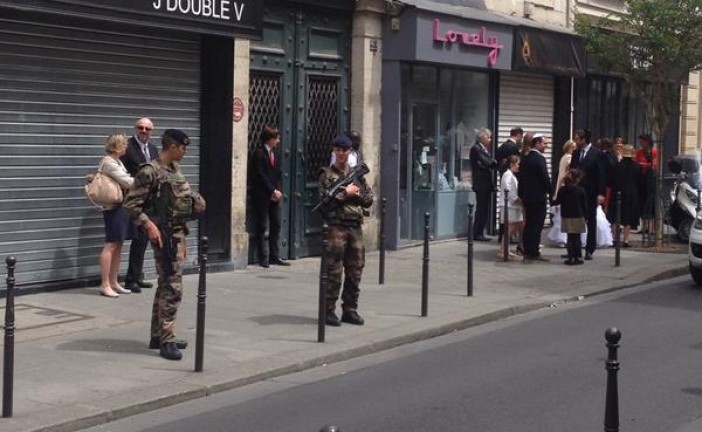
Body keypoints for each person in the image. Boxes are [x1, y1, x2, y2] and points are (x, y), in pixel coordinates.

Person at [123, 129, 206, 361]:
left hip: (176, 234)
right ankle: (167, 340)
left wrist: (184, 237)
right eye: (183, 147)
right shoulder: (150, 172)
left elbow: (178, 205)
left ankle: (158, 335)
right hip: (163, 235)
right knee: (173, 288)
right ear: (172, 147)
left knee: (164, 285)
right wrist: (148, 226)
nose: (185, 151)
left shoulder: (174, 170)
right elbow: (130, 204)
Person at [319, 136, 373, 327]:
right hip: (337, 227)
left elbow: (368, 199)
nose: (341, 153)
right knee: (333, 270)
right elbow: (325, 205)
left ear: (350, 152)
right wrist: (344, 194)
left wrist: (356, 194)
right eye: (338, 150)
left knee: (355, 270)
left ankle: (350, 309)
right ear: (334, 151)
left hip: (355, 227)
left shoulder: (356, 175)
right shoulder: (327, 175)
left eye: (345, 150)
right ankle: (328, 310)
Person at [120, 118, 159, 293]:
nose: (144, 131)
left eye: (147, 129)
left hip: (150, 201)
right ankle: (130, 280)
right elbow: (122, 172)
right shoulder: (127, 148)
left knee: (142, 240)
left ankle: (137, 276)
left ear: (152, 131)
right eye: (140, 128)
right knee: (137, 239)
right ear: (136, 129)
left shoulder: (153, 149)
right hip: (134, 201)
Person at [98, 134, 136, 298]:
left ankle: (114, 281)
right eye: (124, 144)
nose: (126, 147)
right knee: (111, 244)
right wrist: (143, 181)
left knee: (119, 244)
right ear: (117, 146)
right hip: (113, 207)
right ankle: (104, 284)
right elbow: (127, 182)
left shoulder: (117, 161)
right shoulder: (108, 162)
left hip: (121, 206)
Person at [249, 125, 290, 268]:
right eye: (276, 138)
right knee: (262, 225)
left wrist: (278, 190)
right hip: (262, 195)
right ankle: (263, 257)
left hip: (274, 195)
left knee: (276, 224)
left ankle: (275, 255)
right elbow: (260, 175)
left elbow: (278, 174)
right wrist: (272, 190)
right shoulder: (259, 154)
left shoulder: (275, 154)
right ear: (269, 139)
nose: (278, 141)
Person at [570, 129, 606, 261]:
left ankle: (590, 249)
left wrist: (601, 193)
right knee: (577, 219)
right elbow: (572, 171)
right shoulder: (576, 153)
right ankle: (575, 248)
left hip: (591, 192)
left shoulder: (596, 154)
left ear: (584, 139)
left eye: (577, 139)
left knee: (591, 219)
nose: (575, 142)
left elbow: (602, 175)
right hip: (576, 191)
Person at [518, 134, 551, 262]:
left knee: (529, 225)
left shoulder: (525, 158)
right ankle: (534, 252)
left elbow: (521, 178)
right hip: (538, 198)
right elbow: (545, 178)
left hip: (527, 197)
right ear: (537, 143)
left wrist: (521, 194)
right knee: (537, 225)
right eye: (544, 143)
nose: (546, 146)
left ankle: (527, 251)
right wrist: (551, 192)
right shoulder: (539, 159)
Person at [609, 144, 643, 247]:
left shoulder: (616, 166)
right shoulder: (637, 167)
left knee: (616, 217)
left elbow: (611, 181)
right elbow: (640, 183)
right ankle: (626, 240)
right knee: (628, 218)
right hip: (631, 195)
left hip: (617, 193)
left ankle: (615, 239)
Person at [553, 169, 588, 265]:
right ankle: (577, 257)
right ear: (577, 179)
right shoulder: (580, 190)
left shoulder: (563, 190)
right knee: (577, 237)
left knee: (569, 237)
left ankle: (570, 257)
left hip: (566, 216)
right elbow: (585, 205)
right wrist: (586, 216)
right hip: (578, 215)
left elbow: (557, 201)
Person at [469, 128, 497, 241]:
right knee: (481, 209)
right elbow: (488, 162)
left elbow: (491, 162)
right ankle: (477, 233)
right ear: (482, 137)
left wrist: (490, 162)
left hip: (486, 183)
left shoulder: (484, 149)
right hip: (481, 183)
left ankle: (480, 231)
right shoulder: (476, 148)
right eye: (488, 137)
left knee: (485, 209)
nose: (490, 140)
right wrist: (489, 162)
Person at [547, 140, 576, 247]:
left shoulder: (563, 157)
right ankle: (563, 239)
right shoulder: (569, 158)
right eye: (574, 147)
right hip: (565, 186)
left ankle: (562, 238)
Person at [634, 133, 658, 235]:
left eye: (642, 141)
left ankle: (652, 228)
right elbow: (635, 162)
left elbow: (654, 165)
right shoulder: (639, 152)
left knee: (651, 202)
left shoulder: (653, 151)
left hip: (651, 180)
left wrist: (643, 165)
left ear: (647, 141)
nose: (641, 143)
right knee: (642, 202)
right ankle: (644, 226)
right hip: (641, 179)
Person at [500, 155, 523, 256]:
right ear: (511, 164)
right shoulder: (507, 175)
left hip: (513, 205)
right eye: (517, 164)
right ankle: (504, 250)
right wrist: (516, 199)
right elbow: (508, 189)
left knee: (514, 227)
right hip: (509, 205)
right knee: (510, 227)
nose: (519, 166)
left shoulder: (511, 175)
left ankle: (506, 249)